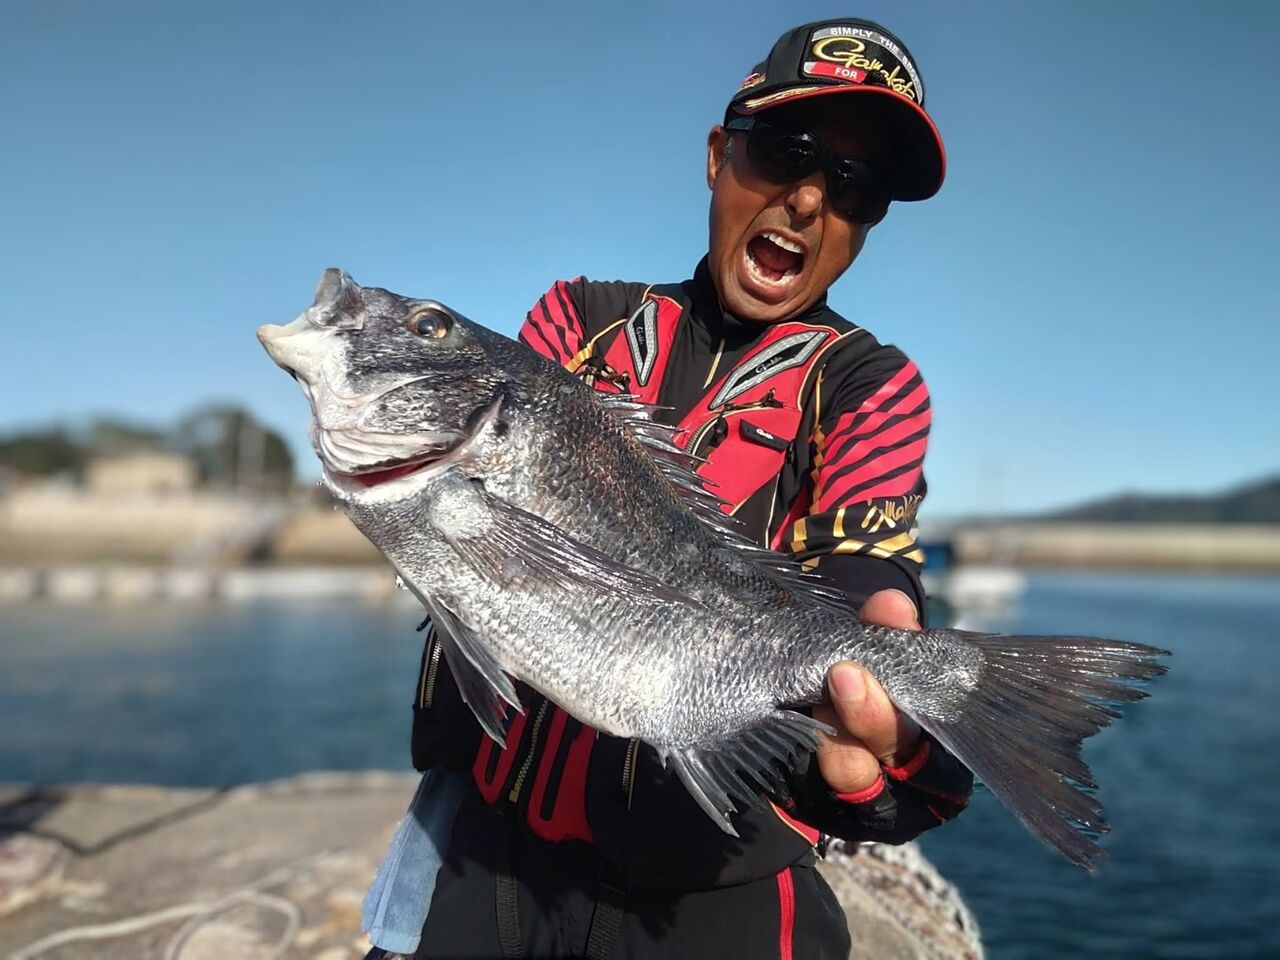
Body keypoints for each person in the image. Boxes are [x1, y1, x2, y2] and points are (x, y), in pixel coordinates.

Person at [389, 18, 974, 959]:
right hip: (489, 860)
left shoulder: (871, 383)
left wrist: (891, 669)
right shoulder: (579, 322)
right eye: (787, 151)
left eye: (856, 186)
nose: (810, 198)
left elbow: (867, 563)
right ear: (718, 156)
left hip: (718, 898)